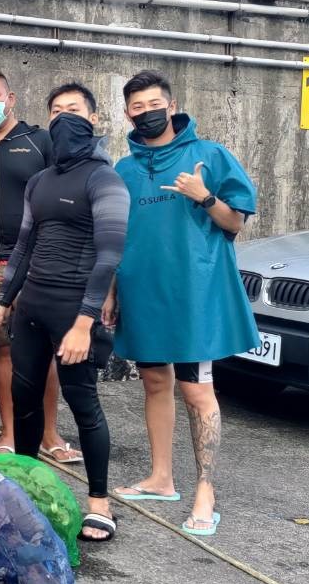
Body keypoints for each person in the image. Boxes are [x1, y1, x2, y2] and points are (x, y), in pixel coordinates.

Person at [0, 83, 127, 544]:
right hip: (32, 309)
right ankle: (27, 488)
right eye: (56, 111)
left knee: (83, 404)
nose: (65, 118)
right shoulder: (41, 181)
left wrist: (84, 323)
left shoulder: (105, 180)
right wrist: (1, 306)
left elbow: (109, 256)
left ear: (95, 119)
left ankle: (99, 503)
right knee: (24, 403)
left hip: (73, 312)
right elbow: (23, 248)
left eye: (75, 110)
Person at [108, 70, 258, 537]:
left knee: (196, 389)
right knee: (154, 381)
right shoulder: (124, 169)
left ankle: (205, 491)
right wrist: (112, 291)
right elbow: (116, 235)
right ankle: (160, 477)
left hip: (195, 295)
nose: (147, 113)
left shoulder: (208, 155)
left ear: (170, 106)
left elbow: (234, 224)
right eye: (137, 107)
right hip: (143, 291)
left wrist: (205, 196)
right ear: (127, 113)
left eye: (154, 104)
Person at [0, 68, 80, 461]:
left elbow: (66, 189)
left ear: (11, 99)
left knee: (46, 351)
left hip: (42, 264)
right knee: (1, 351)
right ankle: (9, 432)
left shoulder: (41, 141)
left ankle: (48, 435)